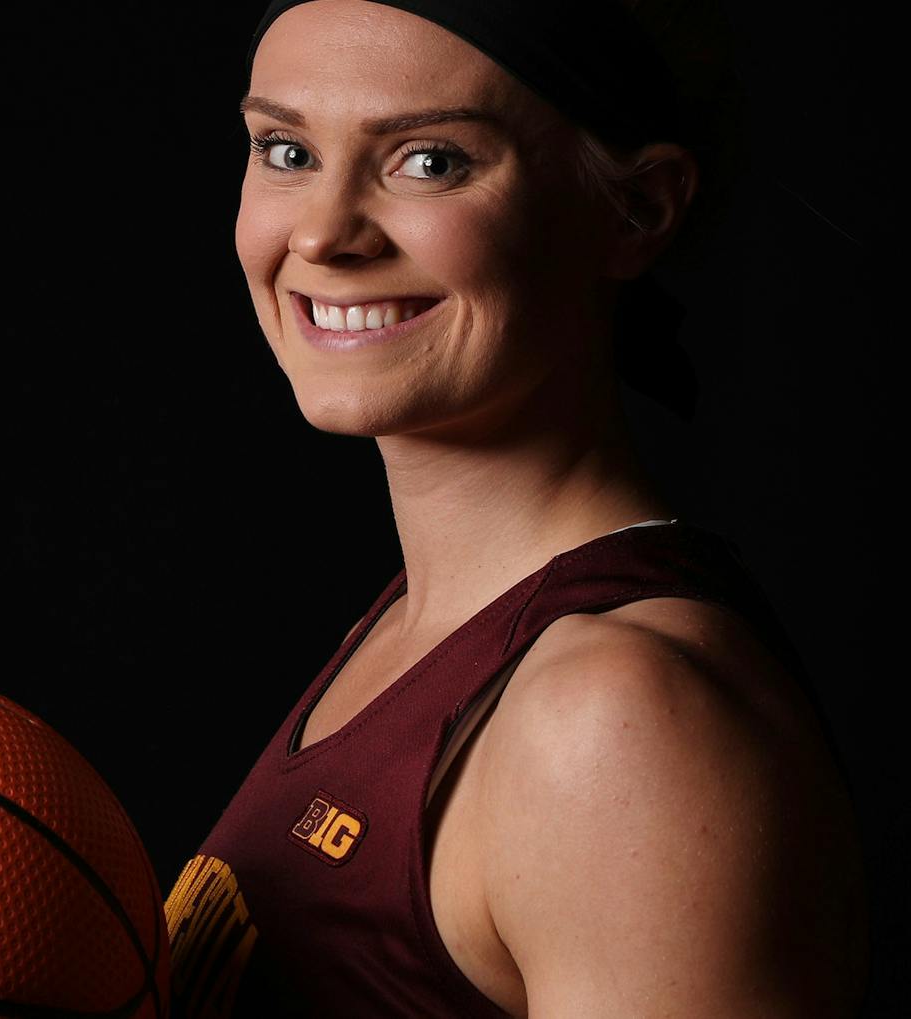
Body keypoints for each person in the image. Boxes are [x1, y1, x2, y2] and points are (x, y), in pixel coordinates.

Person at [160, 2, 869, 1016]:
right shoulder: (422, 631)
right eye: (284, 148)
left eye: (428, 161)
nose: (320, 232)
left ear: (635, 211)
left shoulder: (612, 719)